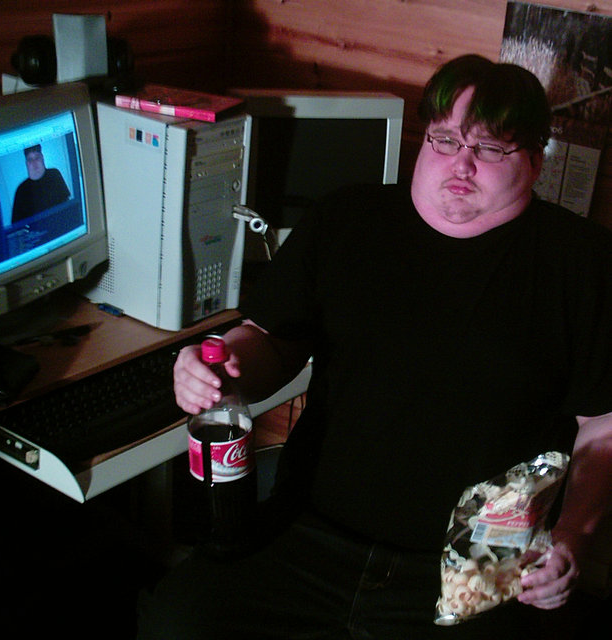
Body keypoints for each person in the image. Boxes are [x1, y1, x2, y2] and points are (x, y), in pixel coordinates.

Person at [137, 54, 612, 639]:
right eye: (445, 139)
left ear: (536, 159)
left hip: (475, 567)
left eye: (490, 148)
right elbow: (270, 341)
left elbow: (603, 425)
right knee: (175, 621)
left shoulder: (583, 263)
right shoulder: (347, 218)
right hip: (305, 535)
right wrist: (222, 364)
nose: (461, 163)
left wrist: (573, 534)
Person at [11, 144, 70, 223]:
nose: (34, 162)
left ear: (42, 158)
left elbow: (67, 204)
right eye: (30, 159)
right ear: (27, 164)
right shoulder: (21, 190)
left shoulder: (54, 175)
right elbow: (16, 224)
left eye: (37, 157)